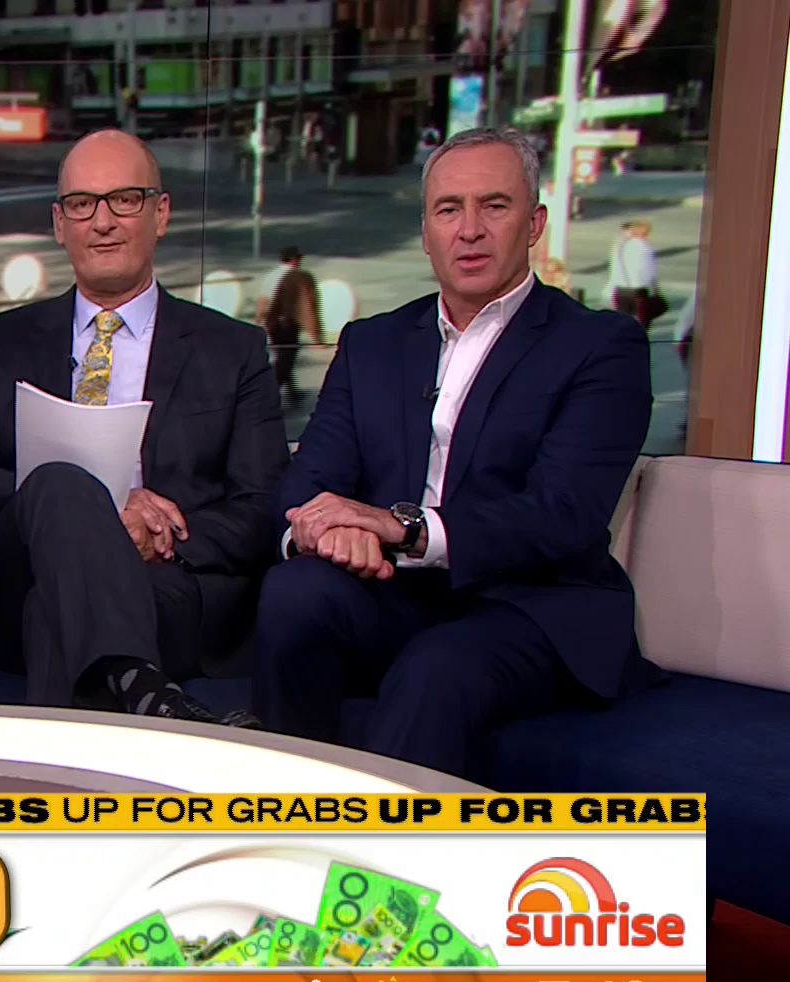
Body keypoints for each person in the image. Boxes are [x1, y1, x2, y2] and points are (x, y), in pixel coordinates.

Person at [254, 127, 656, 778]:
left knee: (437, 668)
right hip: (396, 593)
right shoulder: (373, 344)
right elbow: (308, 483)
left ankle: (382, 850)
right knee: (295, 594)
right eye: (449, 209)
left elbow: (564, 513)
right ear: (426, 230)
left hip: (532, 607)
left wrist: (405, 528)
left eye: (494, 206)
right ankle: (281, 820)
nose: (469, 230)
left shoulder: (599, 347)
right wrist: (324, 530)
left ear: (534, 224)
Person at [0, 129, 287, 722]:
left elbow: (261, 504)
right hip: (12, 576)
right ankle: (152, 699)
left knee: (54, 610)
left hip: (162, 582)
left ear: (160, 213)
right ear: (59, 223)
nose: (102, 221)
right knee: (58, 482)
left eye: (124, 199)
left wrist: (158, 534)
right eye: (82, 204)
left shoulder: (233, 350)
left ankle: (119, 696)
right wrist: (90, 512)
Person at [256, 245, 323, 407]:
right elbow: (306, 305)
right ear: (294, 260)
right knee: (286, 358)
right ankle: (269, 396)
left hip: (272, 322)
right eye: (299, 258)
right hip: (287, 324)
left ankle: (292, 391)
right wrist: (316, 333)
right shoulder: (297, 277)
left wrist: (259, 321)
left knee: (283, 356)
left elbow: (263, 300)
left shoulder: (271, 276)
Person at [609, 220, 665, 328]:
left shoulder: (620, 246)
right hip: (638, 291)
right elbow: (650, 272)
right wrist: (656, 290)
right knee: (642, 323)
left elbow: (615, 268)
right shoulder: (645, 247)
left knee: (622, 323)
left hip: (621, 289)